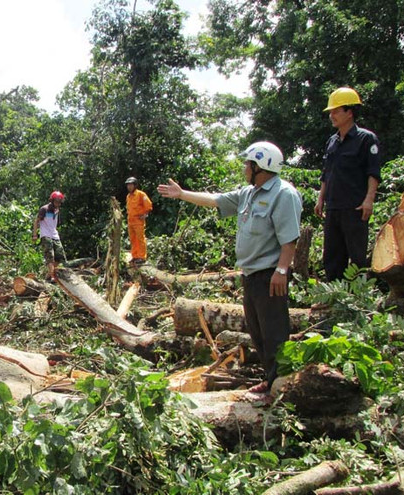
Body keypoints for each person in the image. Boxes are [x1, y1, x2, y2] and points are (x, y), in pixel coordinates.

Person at [157, 142, 303, 394]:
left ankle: (282, 387)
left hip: (270, 275)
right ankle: (271, 381)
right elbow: (216, 200)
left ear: (260, 166)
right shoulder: (249, 193)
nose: (245, 167)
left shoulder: (283, 194)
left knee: (274, 333)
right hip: (250, 275)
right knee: (258, 332)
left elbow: (289, 238)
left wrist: (282, 271)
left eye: (248, 164)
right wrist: (182, 194)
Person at [314, 87, 382, 281]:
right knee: (332, 256)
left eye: (336, 111)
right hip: (333, 207)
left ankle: (357, 298)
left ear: (349, 112)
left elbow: (373, 173)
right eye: (331, 112)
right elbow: (327, 173)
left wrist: (369, 200)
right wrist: (321, 198)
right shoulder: (332, 142)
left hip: (355, 208)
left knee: (357, 256)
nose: (332, 115)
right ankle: (333, 299)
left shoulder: (366, 139)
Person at [32, 191, 67, 281]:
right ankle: (53, 277)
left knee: (60, 256)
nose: (58, 203)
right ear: (52, 200)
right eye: (57, 201)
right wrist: (35, 235)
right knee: (50, 256)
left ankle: (50, 275)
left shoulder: (57, 210)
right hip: (46, 235)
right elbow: (36, 221)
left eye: (60, 202)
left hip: (55, 235)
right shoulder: (44, 209)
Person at [125, 177, 153, 264]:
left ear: (135, 185)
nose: (129, 187)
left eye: (131, 185)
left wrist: (145, 214)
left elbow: (148, 205)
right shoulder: (128, 196)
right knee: (133, 239)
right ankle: (135, 256)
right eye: (128, 185)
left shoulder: (141, 194)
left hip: (138, 220)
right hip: (130, 220)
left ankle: (142, 257)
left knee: (140, 238)